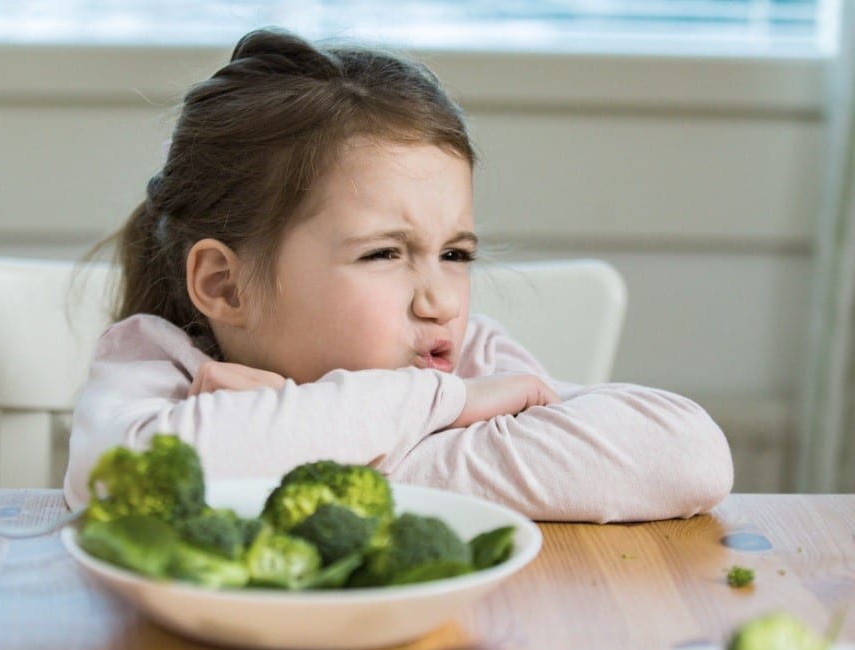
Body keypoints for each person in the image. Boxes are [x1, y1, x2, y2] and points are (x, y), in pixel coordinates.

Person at [64, 27, 733, 523]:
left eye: (456, 254)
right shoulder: (155, 364)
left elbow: (687, 455)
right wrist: (443, 409)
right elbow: (117, 485)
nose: (440, 300)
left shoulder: (472, 357)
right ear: (225, 286)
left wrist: (279, 453)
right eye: (384, 254)